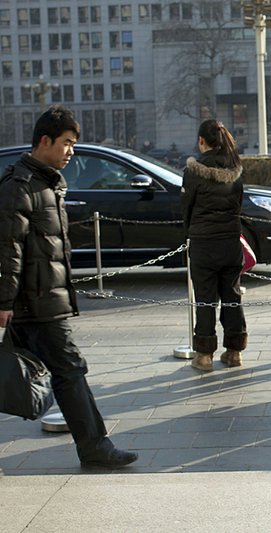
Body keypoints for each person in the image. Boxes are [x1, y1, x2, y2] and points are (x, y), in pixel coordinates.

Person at [0, 106, 138, 468]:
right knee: (70, 371)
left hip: (44, 300)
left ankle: (95, 447)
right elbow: (7, 249)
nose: (71, 151)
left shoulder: (46, 182)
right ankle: (95, 447)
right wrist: (4, 302)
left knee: (63, 373)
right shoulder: (20, 186)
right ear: (44, 141)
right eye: (66, 143)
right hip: (35, 303)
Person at [181, 119, 247, 371]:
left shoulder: (193, 171)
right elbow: (239, 206)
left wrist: (189, 232)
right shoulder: (235, 169)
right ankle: (234, 351)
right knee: (232, 296)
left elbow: (186, 208)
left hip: (204, 244)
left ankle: (205, 355)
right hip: (230, 242)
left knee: (205, 299)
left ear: (201, 141)